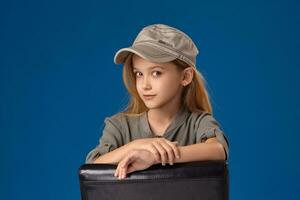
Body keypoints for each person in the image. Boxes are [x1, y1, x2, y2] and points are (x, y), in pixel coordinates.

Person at [85, 24, 229, 180]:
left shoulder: (198, 123)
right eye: (139, 74)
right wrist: (137, 145)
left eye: (156, 73)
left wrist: (156, 156)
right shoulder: (119, 126)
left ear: (185, 77)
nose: (145, 85)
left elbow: (217, 150)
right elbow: (93, 165)